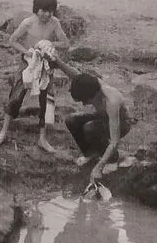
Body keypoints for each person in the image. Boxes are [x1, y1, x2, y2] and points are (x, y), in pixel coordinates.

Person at [0, 0, 69, 153]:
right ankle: (3, 132)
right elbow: (12, 40)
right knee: (15, 97)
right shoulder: (28, 23)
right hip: (28, 64)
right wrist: (27, 52)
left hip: (44, 65)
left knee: (45, 102)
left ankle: (42, 138)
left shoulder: (55, 23)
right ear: (36, 9)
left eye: (50, 11)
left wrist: (50, 44)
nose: (46, 14)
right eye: (43, 10)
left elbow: (66, 43)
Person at [51, 56, 134, 184]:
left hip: (122, 122)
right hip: (102, 116)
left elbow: (115, 140)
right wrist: (56, 61)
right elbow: (75, 75)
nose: (84, 104)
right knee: (71, 120)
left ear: (94, 95)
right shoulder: (90, 84)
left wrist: (99, 168)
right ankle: (91, 155)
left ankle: (112, 159)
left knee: (90, 127)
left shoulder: (111, 100)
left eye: (85, 101)